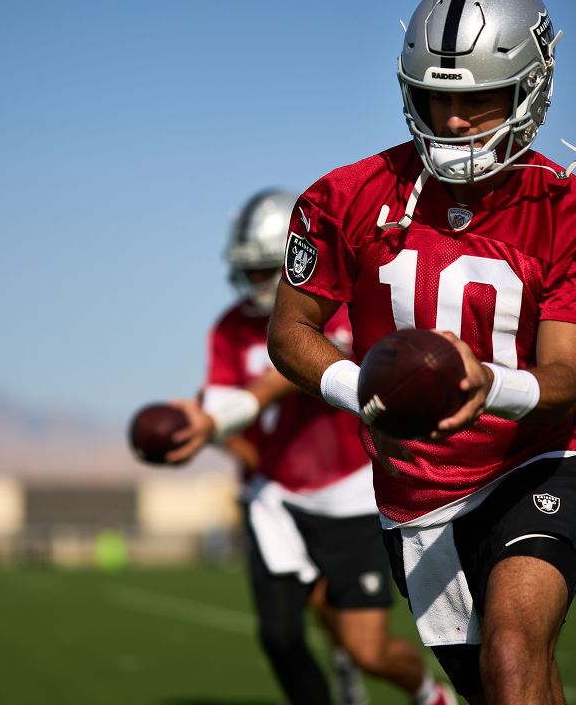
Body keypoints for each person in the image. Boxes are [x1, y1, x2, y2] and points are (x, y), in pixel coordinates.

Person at [266, 0, 576, 702]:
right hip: (416, 494)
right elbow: (291, 332)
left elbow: (564, 378)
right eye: (436, 100)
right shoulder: (344, 197)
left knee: (511, 650)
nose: (455, 120)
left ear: (532, 88)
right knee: (504, 684)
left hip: (538, 461)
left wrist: (487, 386)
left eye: (482, 98)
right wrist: (363, 394)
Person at [166, 190, 454, 705]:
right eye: (248, 271)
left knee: (367, 650)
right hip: (278, 499)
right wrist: (199, 430)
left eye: (263, 270)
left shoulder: (335, 308)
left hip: (350, 495)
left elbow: (297, 368)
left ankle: (426, 691)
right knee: (279, 636)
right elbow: (225, 416)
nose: (254, 282)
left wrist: (241, 404)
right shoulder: (231, 328)